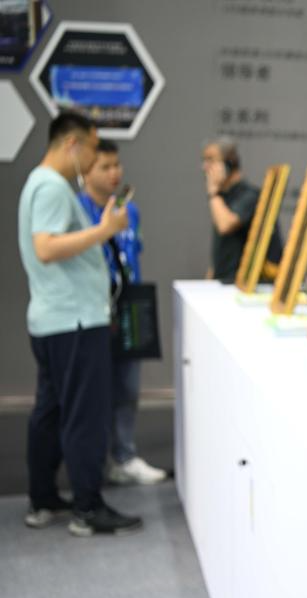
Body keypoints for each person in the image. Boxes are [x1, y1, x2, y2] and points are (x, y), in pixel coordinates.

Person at [17, 111, 143, 536]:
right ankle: (87, 508)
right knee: (84, 415)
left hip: (56, 318)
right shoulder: (52, 187)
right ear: (72, 144)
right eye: (91, 148)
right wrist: (105, 230)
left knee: (51, 411)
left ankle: (44, 499)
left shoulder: (39, 183)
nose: (93, 159)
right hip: (73, 320)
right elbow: (47, 248)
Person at [78, 139, 167, 485]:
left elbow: (134, 250)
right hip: (92, 309)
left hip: (129, 307)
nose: (114, 172)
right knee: (93, 391)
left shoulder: (131, 211)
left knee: (128, 386)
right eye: (105, 167)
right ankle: (91, 463)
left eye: (117, 165)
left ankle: (124, 456)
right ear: (86, 172)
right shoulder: (77, 210)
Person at [201, 137, 282, 283]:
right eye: (204, 160)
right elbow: (222, 246)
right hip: (222, 283)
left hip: (241, 286)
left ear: (230, 162)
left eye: (211, 160)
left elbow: (225, 225)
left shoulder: (249, 195)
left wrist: (213, 192)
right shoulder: (223, 197)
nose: (205, 167)